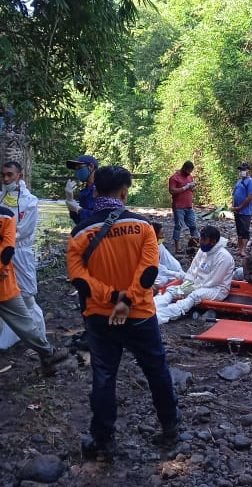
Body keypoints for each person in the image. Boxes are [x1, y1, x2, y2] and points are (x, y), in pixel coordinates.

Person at [67, 166, 178, 461]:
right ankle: (170, 428)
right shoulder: (143, 227)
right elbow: (149, 272)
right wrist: (127, 300)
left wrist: (113, 298)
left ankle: (102, 440)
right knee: (156, 369)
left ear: (94, 191)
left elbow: (80, 279)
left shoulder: (80, 233)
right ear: (124, 192)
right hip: (139, 312)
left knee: (103, 376)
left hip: (100, 316)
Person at [0, 204, 67, 374]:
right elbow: (8, 249)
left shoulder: (6, 216)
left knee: (25, 322)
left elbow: (8, 249)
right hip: (3, 282)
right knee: (24, 322)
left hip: (4, 284)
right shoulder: (6, 216)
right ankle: (47, 353)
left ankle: (47, 354)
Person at [0, 161, 46, 341]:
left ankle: (40, 338)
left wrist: (6, 238)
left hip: (20, 253)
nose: (5, 178)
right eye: (3, 175)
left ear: (19, 176)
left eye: (10, 174)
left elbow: (24, 230)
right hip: (2, 252)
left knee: (27, 296)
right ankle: (7, 337)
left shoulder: (30, 201)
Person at [154, 226, 234, 324]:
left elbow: (213, 281)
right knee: (174, 290)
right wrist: (186, 285)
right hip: (197, 284)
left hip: (216, 289)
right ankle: (152, 306)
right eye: (201, 238)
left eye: (204, 240)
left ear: (213, 242)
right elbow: (192, 271)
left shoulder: (224, 257)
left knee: (195, 295)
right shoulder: (202, 251)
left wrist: (191, 288)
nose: (200, 242)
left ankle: (163, 314)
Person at [169, 161, 199, 254]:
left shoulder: (190, 177)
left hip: (189, 206)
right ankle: (177, 247)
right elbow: (172, 191)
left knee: (193, 225)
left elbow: (190, 190)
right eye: (188, 170)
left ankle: (194, 245)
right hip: (178, 206)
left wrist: (192, 187)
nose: (189, 173)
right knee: (178, 226)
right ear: (184, 168)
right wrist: (185, 187)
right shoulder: (174, 178)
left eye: (191, 171)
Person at [231, 162, 252, 257]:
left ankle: (243, 250)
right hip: (237, 210)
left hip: (245, 211)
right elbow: (234, 194)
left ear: (248, 171)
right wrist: (234, 206)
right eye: (240, 170)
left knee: (245, 231)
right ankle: (239, 249)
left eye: (243, 170)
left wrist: (240, 206)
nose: (241, 172)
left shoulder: (251, 182)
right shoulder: (239, 181)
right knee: (239, 231)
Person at [65, 154, 99, 224]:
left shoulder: (102, 188)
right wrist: (69, 199)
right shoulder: (85, 191)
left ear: (91, 167)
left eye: (79, 168)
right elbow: (78, 221)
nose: (77, 172)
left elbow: (101, 218)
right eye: (76, 169)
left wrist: (78, 209)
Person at [150, 221, 184, 288]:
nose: (163, 236)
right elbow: (156, 266)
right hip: (162, 272)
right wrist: (173, 273)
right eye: (161, 234)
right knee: (162, 281)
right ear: (154, 235)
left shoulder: (159, 244)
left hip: (171, 269)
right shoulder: (150, 249)